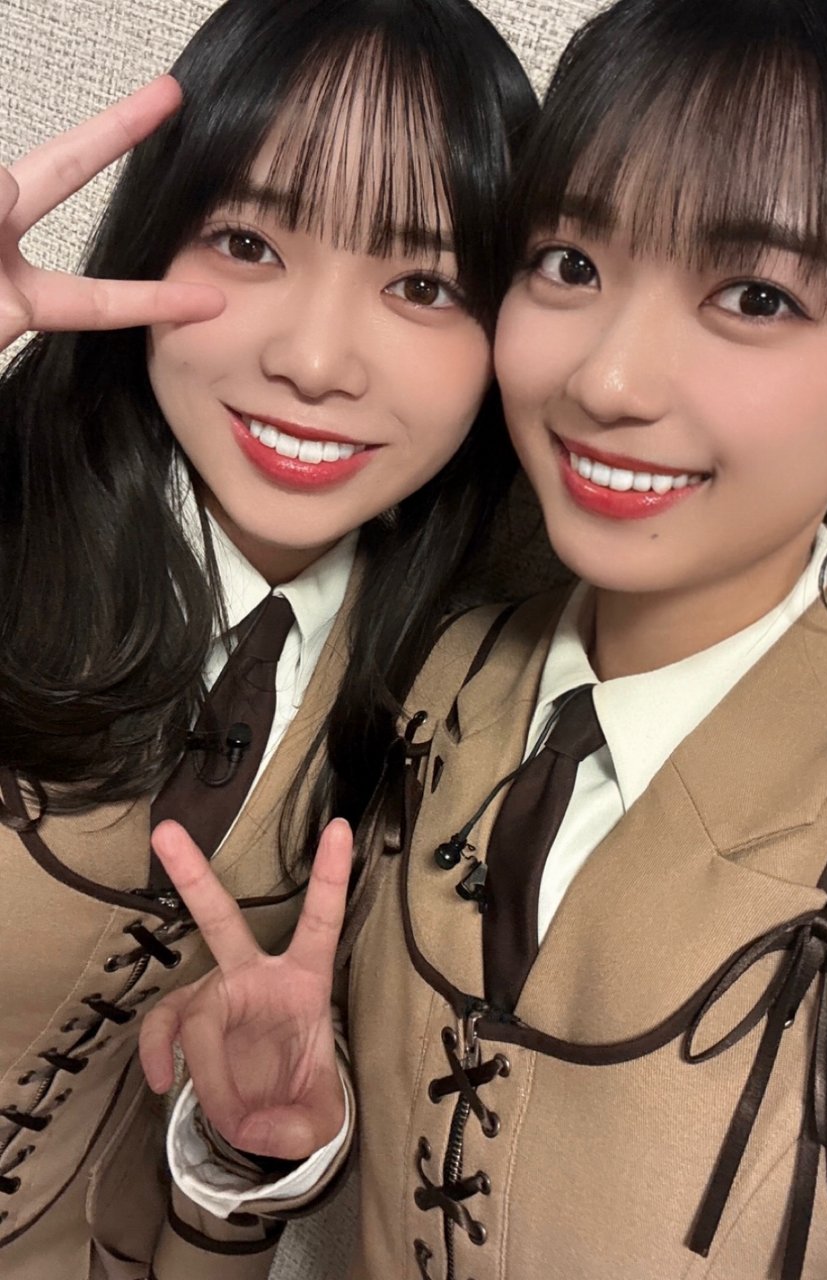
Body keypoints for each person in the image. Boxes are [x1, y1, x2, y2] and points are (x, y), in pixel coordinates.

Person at [143, 0, 827, 1275]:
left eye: (755, 294)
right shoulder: (430, 666)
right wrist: (267, 1143)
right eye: (571, 264)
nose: (606, 380)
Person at [0, 1, 537, 1276]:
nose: (314, 359)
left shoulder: (451, 697)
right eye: (248, 241)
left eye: (422, 284)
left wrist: (245, 1154)